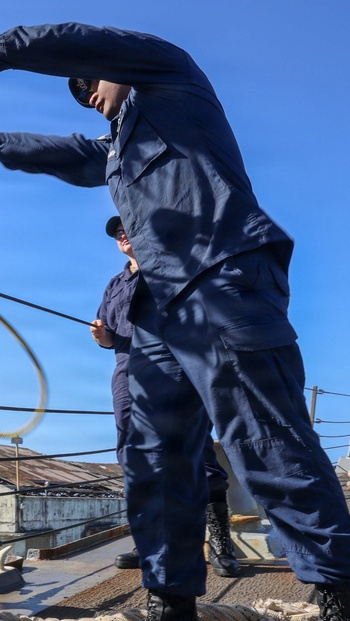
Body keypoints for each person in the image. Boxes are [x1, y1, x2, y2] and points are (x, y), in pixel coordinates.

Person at [0, 23, 350, 621]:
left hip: (221, 279)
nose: (85, 92)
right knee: (151, 461)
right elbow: (73, 154)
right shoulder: (121, 145)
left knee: (266, 442)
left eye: (90, 80)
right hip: (157, 310)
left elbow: (72, 40)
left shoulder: (169, 75)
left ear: (114, 66)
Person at [91, 215, 240, 579]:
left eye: (127, 227)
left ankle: (220, 542)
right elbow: (109, 334)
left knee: (195, 445)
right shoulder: (114, 285)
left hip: (180, 365)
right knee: (131, 449)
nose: (122, 235)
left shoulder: (173, 268)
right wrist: (102, 337)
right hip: (128, 371)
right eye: (117, 233)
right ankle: (150, 541)